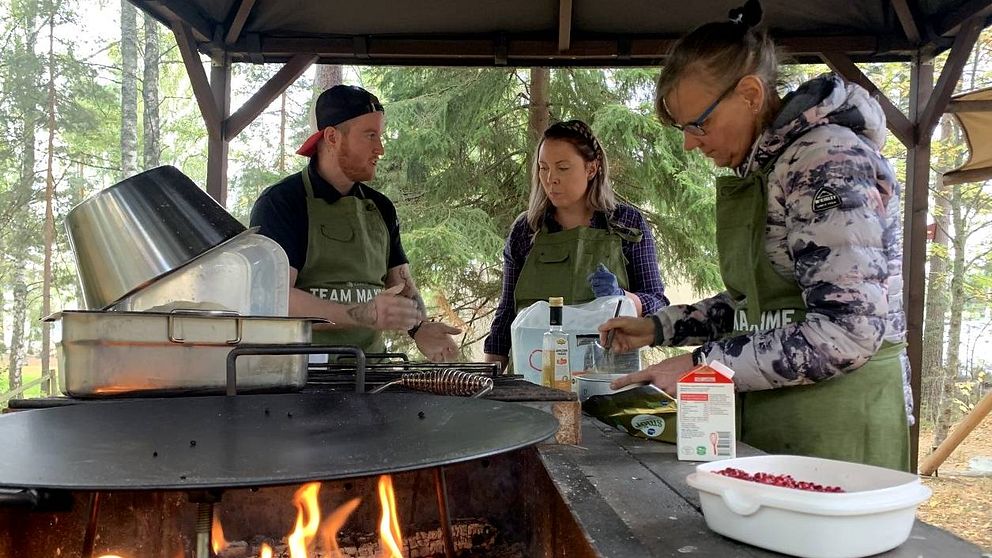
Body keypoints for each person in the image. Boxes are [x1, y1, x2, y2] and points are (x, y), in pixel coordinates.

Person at [600, 0, 912, 470]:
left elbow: (847, 331)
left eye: (698, 124)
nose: (689, 142)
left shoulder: (825, 161)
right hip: (780, 416)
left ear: (749, 93)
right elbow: (759, 309)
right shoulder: (769, 166)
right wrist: (661, 327)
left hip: (839, 426)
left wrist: (702, 364)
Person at [250, 84, 460, 361]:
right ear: (332, 137)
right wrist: (363, 315)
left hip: (372, 370)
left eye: (380, 136)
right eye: (370, 136)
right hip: (302, 377)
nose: (381, 149)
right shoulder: (282, 203)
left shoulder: (381, 208)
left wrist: (419, 327)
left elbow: (401, 283)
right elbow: (276, 299)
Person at [484, 120, 669, 369]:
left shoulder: (627, 223)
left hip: (606, 376)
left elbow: (658, 302)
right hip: (535, 375)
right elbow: (507, 313)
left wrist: (623, 298)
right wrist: (488, 379)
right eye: (543, 168)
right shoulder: (526, 229)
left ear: (591, 169)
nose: (551, 179)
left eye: (562, 168)